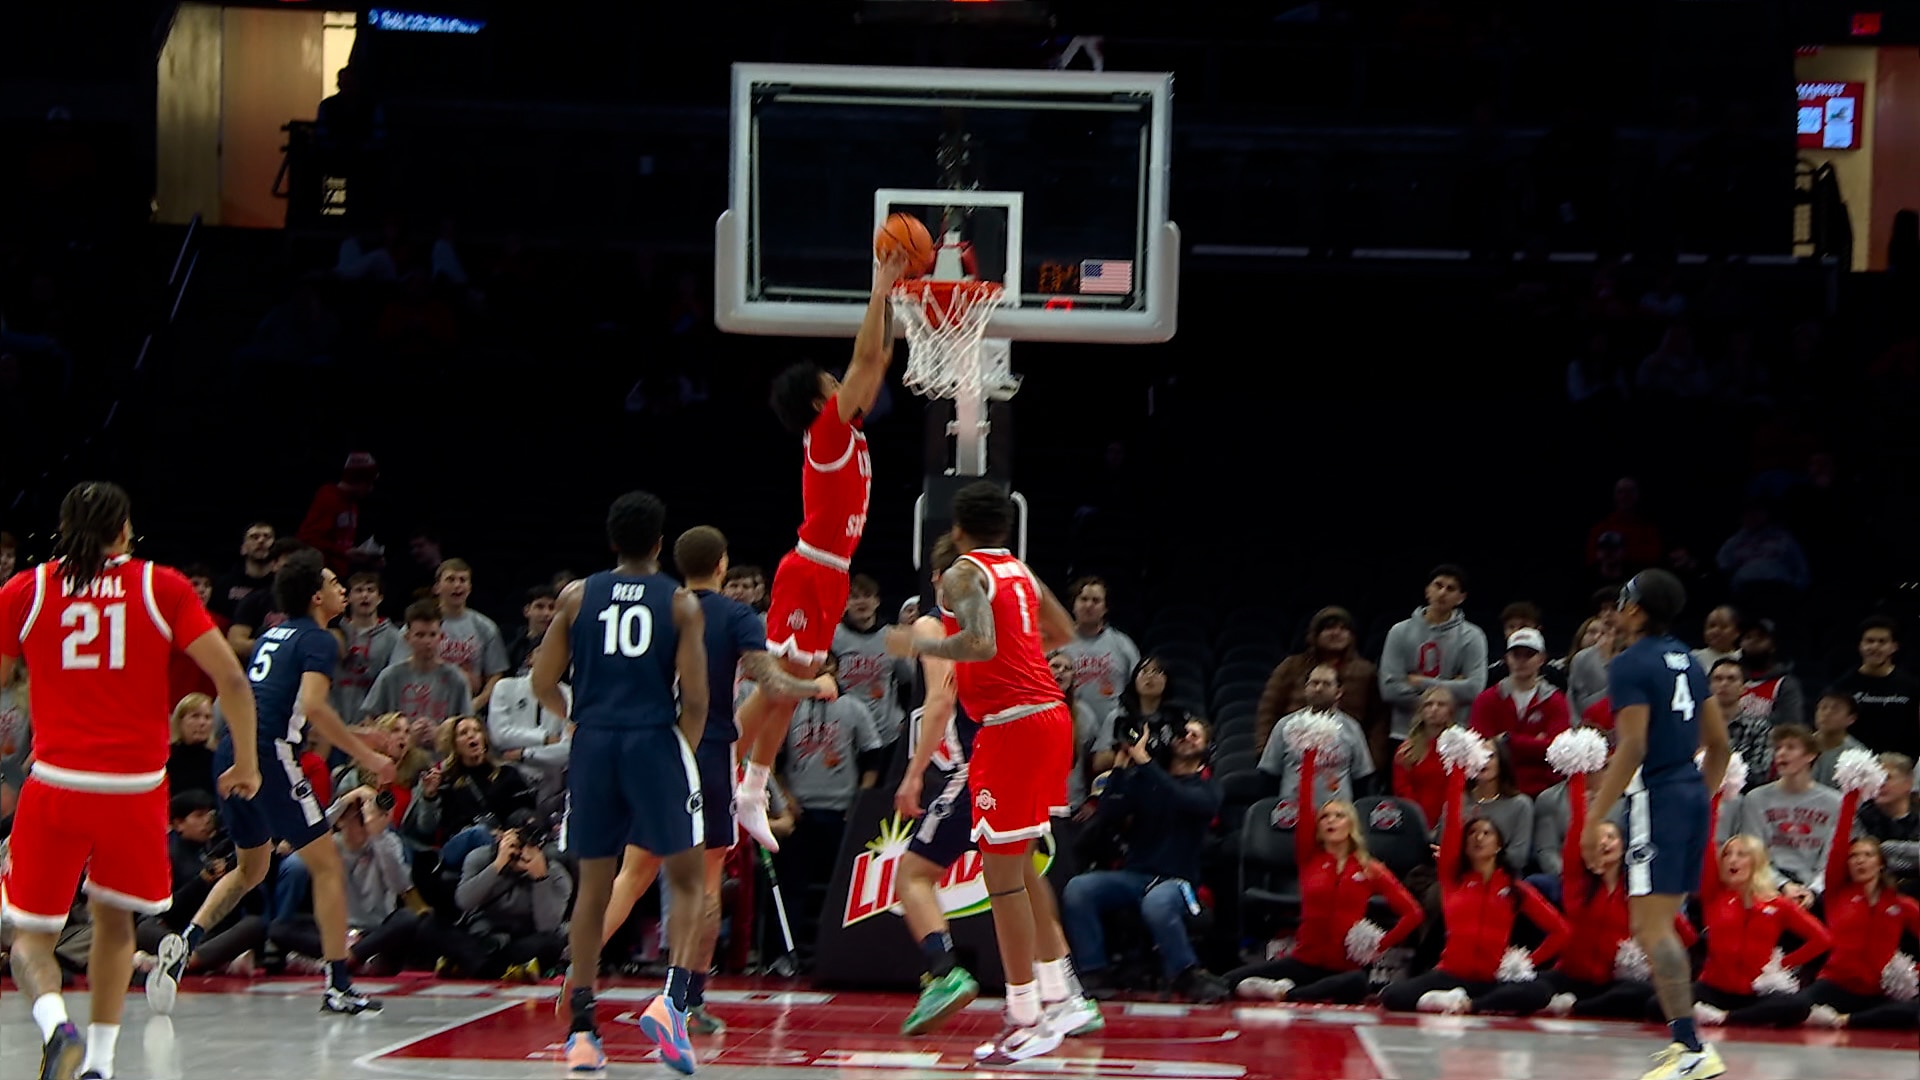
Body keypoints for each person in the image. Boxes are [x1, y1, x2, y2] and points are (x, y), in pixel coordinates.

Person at [0, 481, 262, 1080]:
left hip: (57, 784)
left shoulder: (26, 589)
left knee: (32, 937)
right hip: (135, 790)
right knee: (115, 926)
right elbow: (233, 681)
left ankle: (54, 1026)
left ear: (64, 532)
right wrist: (244, 762)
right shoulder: (160, 585)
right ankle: (99, 1061)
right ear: (125, 530)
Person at [883, 481, 1099, 1066]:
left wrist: (914, 643)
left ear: (957, 528)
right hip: (1050, 717)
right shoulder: (1021, 573)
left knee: (1002, 881)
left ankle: (1025, 1017)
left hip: (1012, 725)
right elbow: (1064, 634)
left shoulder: (960, 573)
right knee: (1022, 869)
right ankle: (1062, 997)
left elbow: (977, 645)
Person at [596, 525, 833, 1035]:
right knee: (705, 882)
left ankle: (575, 976)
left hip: (648, 745)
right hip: (705, 750)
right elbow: (770, 681)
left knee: (633, 875)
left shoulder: (656, 606)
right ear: (723, 565)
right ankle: (685, 997)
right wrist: (815, 683)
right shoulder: (734, 614)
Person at [157, 549, 397, 1018]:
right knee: (327, 865)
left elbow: (286, 707)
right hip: (269, 756)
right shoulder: (322, 639)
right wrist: (368, 756)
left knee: (252, 869)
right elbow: (315, 707)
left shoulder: (274, 634)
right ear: (315, 596)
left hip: (235, 748)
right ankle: (339, 986)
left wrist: (359, 733)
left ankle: (187, 942)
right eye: (333, 582)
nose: (342, 589)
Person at [734, 249, 909, 853]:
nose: (846, 383)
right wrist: (880, 285)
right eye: (832, 385)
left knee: (786, 687)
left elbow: (878, 357)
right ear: (818, 402)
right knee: (781, 685)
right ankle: (725, 772)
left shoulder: (849, 428)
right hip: (807, 570)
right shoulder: (827, 431)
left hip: (830, 575)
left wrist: (891, 300)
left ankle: (745, 784)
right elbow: (864, 357)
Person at [531, 491, 709, 1076]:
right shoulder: (681, 603)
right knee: (687, 878)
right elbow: (699, 700)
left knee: (593, 886)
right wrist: (676, 749)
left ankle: (583, 1030)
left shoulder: (577, 596)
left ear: (613, 542)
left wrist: (577, 716)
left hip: (596, 744)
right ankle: (672, 1001)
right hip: (653, 740)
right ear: (661, 543)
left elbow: (541, 681)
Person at [1581, 569, 1731, 1080]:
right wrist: (1696, 799)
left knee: (1651, 927)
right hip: (1688, 794)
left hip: (1658, 798)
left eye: (1623, 600)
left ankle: (1691, 1050)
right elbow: (1721, 746)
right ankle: (1686, 1045)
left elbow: (1634, 746)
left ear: (1638, 611)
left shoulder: (1629, 663)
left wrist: (1593, 816)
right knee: (1656, 924)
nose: (1616, 608)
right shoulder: (1687, 659)